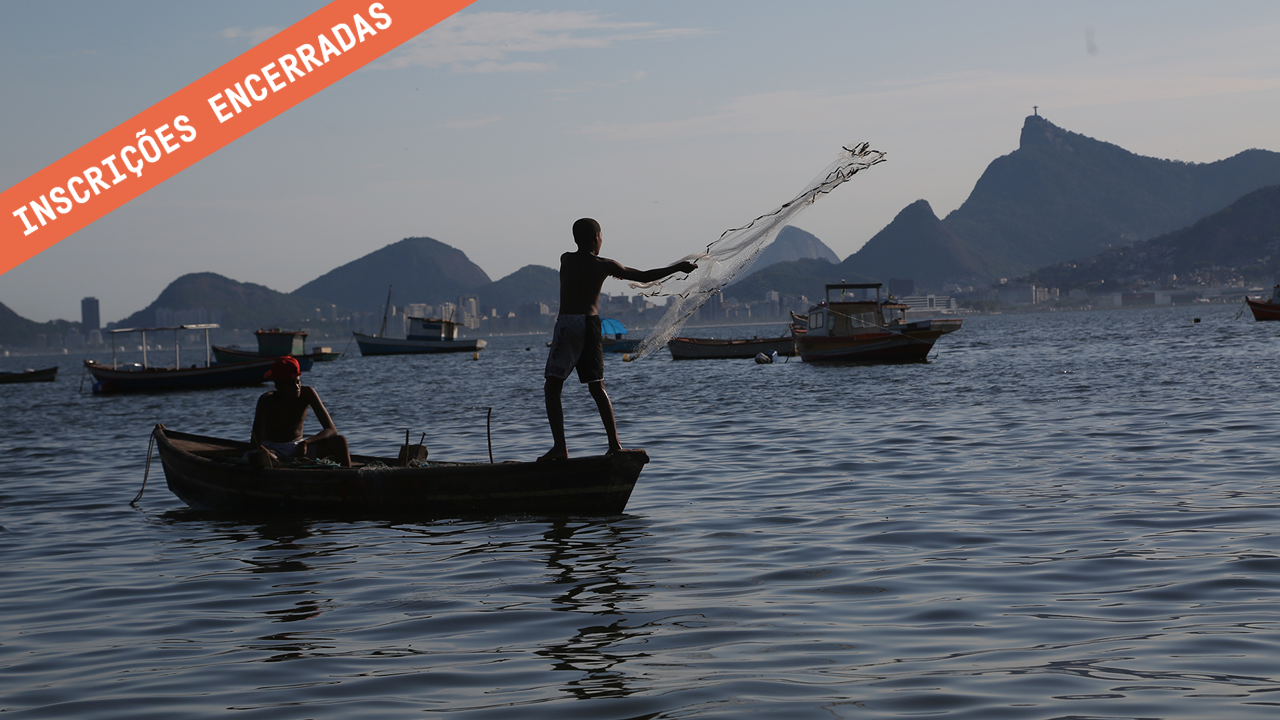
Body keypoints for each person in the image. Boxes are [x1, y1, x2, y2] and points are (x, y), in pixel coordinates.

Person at [540, 218, 698, 460]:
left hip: (567, 323)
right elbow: (644, 277)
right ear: (596, 238)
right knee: (597, 386)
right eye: (601, 235)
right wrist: (677, 267)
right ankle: (614, 444)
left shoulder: (566, 259)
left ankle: (561, 447)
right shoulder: (603, 265)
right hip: (589, 324)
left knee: (553, 386)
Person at [249, 356, 351, 468]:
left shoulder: (308, 393)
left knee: (340, 441)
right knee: (256, 455)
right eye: (291, 384)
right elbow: (256, 443)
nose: (297, 387)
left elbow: (331, 430)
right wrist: (277, 462)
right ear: (278, 386)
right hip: (272, 450)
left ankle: (349, 478)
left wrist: (306, 443)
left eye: (298, 382)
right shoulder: (267, 400)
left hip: (298, 448)